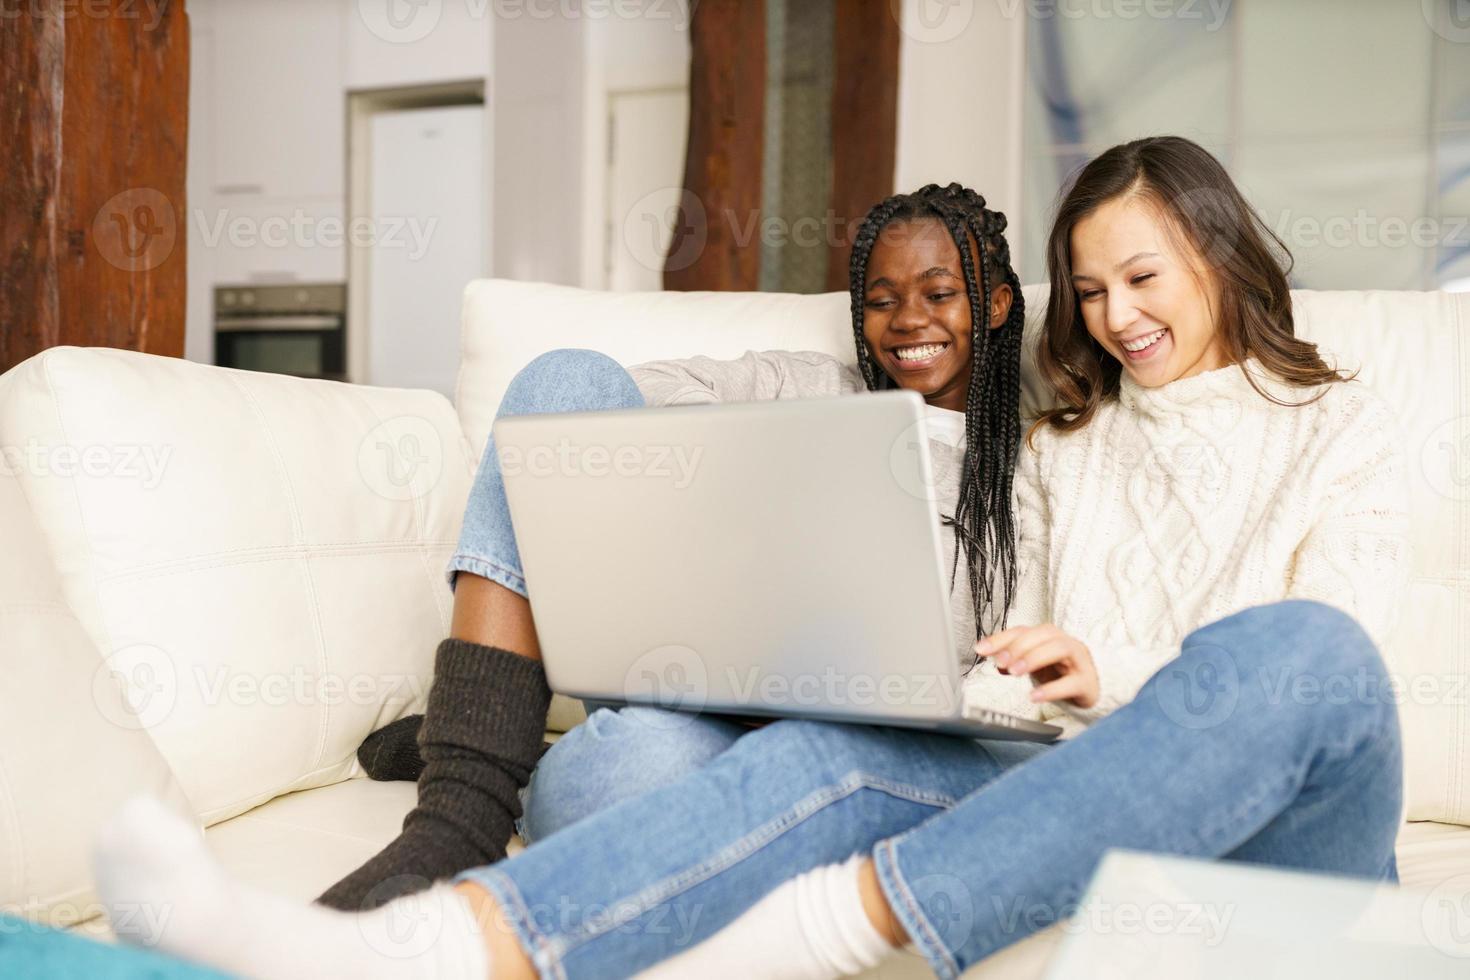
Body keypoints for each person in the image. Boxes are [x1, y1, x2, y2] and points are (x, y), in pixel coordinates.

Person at [93, 138, 1409, 980]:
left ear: (1218, 254)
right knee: (816, 756)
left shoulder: (1350, 423)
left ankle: (817, 927)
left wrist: (1103, 666)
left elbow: (1318, 686)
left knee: (1300, 652)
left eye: (1144, 278)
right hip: (1060, 789)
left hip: (1274, 830)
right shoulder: (1073, 432)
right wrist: (1023, 668)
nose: (1117, 318)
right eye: (1095, 289)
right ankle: (423, 947)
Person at [318, 181, 1032, 911]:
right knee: (563, 381)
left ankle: (507, 751)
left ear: (996, 304)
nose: (909, 320)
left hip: (804, 747)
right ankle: (460, 808)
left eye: (939, 293)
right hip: (679, 669)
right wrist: (744, 468)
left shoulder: (1035, 467)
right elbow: (623, 398)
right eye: (881, 301)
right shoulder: (817, 385)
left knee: (622, 778)